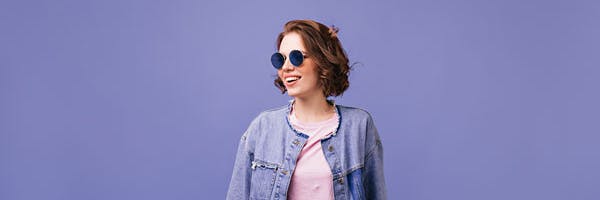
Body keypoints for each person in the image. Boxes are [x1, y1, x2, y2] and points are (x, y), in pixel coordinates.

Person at [226, 19, 386, 200]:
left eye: (296, 57)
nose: (286, 67)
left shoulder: (359, 126)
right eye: (280, 59)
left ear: (323, 60)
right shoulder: (262, 128)